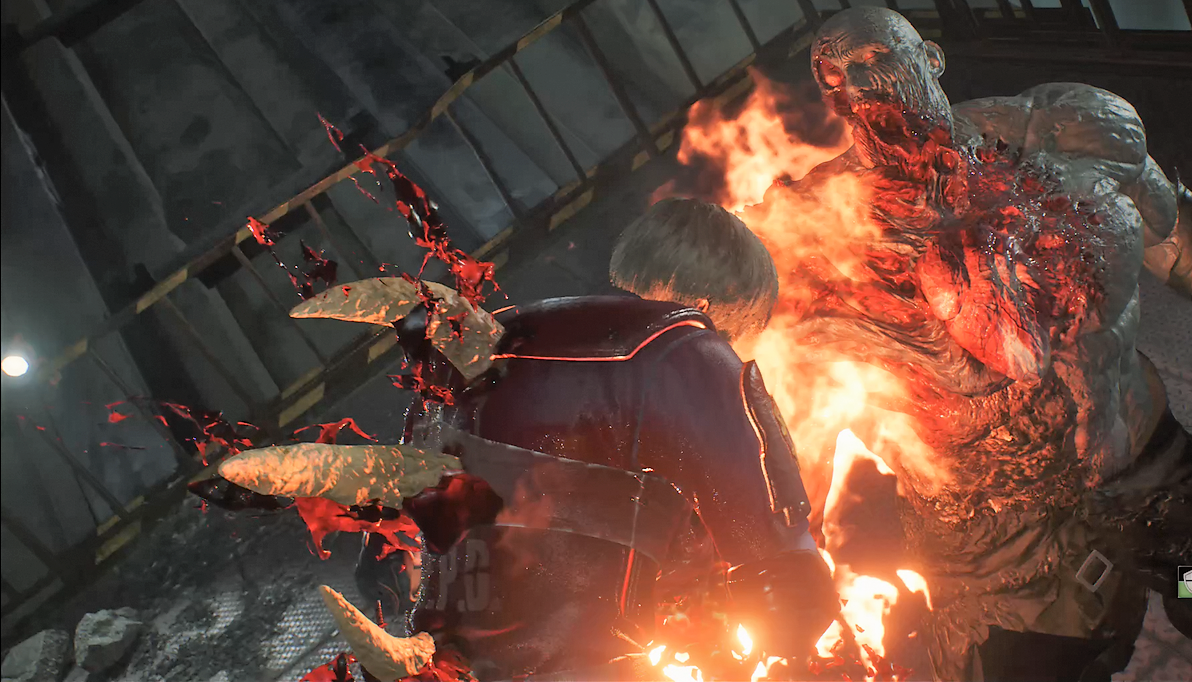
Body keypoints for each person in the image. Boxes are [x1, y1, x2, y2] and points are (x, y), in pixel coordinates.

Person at [734, 6, 1192, 682]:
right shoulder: (814, 240)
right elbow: (797, 411)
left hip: (1144, 477)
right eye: (836, 75)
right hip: (1001, 546)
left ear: (931, 58)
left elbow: (1170, 228)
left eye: (876, 57)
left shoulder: (1065, 135)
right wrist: (786, 548)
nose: (862, 83)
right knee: (1049, 666)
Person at [198, 197, 839, 681]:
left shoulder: (487, 343)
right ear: (717, 306)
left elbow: (390, 552)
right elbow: (788, 583)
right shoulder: (688, 353)